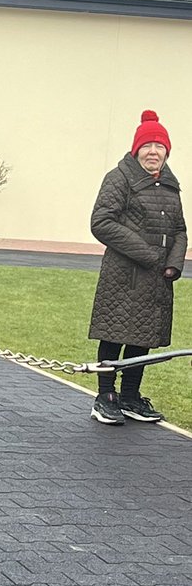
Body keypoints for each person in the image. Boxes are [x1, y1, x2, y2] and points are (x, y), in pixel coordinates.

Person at [88, 109, 187, 425]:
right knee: (114, 333)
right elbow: (101, 222)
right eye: (148, 146)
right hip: (124, 276)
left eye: (160, 147)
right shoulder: (118, 179)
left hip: (156, 279)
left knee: (141, 337)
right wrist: (147, 254)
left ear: (166, 151)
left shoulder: (170, 186)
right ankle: (105, 397)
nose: (154, 152)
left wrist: (172, 263)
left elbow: (180, 229)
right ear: (137, 149)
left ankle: (130, 396)